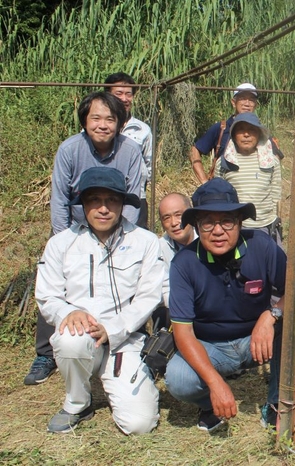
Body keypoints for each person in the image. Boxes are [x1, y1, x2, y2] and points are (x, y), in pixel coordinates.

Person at [164, 178, 295, 432]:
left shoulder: (262, 246)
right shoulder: (184, 263)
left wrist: (270, 316)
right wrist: (215, 384)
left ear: (240, 223)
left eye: (227, 221)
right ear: (197, 226)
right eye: (208, 222)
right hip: (211, 348)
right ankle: (210, 403)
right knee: (178, 379)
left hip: (257, 341)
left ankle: (276, 401)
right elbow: (183, 333)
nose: (218, 230)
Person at [24, 91, 143, 386]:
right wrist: (63, 238)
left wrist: (122, 233)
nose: (103, 125)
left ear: (120, 122)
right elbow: (60, 198)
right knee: (54, 283)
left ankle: (126, 343)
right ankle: (46, 353)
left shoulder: (130, 151)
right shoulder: (69, 149)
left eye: (110, 119)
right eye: (96, 118)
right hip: (76, 227)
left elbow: (134, 194)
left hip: (117, 226)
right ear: (85, 121)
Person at [34, 167, 163, 434]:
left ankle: (130, 376)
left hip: (125, 339)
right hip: (82, 335)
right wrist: (67, 313)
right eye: (95, 200)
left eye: (112, 200)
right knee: (71, 339)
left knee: (139, 425)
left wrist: (113, 329)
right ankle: (77, 403)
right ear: (83, 204)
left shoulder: (146, 242)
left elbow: (149, 296)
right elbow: (47, 295)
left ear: (122, 205)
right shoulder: (60, 243)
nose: (103, 208)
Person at [189, 83, 283, 184]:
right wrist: (204, 182)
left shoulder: (260, 131)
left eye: (251, 100)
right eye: (242, 98)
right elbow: (194, 150)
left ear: (256, 105)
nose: (247, 103)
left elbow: (276, 157)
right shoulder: (221, 128)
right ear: (233, 102)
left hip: (254, 193)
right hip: (224, 192)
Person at [214, 112, 283, 244]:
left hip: (266, 226)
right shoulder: (225, 162)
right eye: (241, 130)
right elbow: (220, 196)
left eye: (251, 130)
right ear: (234, 135)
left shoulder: (271, 160)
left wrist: (273, 220)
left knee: (276, 262)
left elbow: (275, 194)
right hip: (236, 228)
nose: (246, 134)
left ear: (259, 134)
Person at [105, 72, 153, 229]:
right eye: (118, 93)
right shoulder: (99, 127)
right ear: (108, 95)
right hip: (105, 195)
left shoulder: (142, 129)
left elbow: (148, 163)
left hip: (136, 196)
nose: (125, 99)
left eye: (129, 94)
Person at [154, 193, 198, 329]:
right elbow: (161, 289)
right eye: (166, 218)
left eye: (179, 215)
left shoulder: (209, 240)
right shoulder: (157, 248)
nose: (174, 223)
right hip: (176, 312)